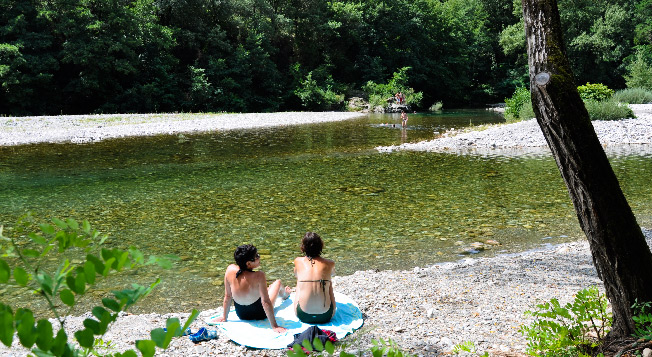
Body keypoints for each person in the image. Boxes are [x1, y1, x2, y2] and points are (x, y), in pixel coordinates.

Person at [214, 244, 290, 333]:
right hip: (260, 313)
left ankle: (271, 291)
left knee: (264, 291)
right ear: (248, 263)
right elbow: (265, 302)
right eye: (256, 256)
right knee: (278, 283)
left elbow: (228, 296)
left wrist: (224, 317)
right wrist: (274, 326)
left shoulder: (230, 269)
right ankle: (285, 295)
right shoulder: (259, 275)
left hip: (241, 314)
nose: (259, 257)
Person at [293, 232, 336, 324]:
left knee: (299, 280)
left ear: (303, 247)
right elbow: (332, 274)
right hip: (327, 316)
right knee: (328, 281)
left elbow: (296, 274)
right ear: (321, 246)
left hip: (303, 315)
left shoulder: (298, 261)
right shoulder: (330, 263)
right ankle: (330, 307)